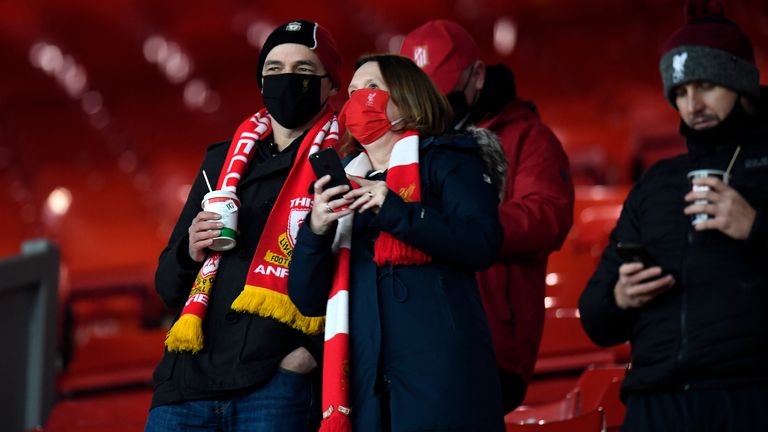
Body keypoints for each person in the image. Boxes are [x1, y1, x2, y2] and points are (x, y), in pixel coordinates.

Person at [287, 54, 505, 431]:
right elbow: (306, 299)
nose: (357, 100)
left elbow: (482, 243)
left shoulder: (451, 157)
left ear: (407, 98)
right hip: (366, 389)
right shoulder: (345, 182)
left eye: (371, 88)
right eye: (352, 92)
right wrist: (316, 230)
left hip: (442, 383)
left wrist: (394, 209)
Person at [145, 20, 342, 432]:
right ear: (260, 83)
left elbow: (355, 274)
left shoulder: (343, 160)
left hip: (273, 385)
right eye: (274, 70)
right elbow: (166, 286)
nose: (286, 80)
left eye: (303, 71)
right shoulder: (221, 162)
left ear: (331, 85)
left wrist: (303, 357)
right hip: (186, 385)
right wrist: (189, 251)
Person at [578, 2, 768, 431]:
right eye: (680, 93)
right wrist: (619, 298)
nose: (692, 103)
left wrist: (754, 226)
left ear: (738, 82)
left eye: (705, 85)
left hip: (748, 392)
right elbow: (594, 316)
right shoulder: (657, 183)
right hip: (658, 400)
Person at [400, 19, 574, 412]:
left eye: (441, 92)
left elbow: (547, 215)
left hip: (490, 340)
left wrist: (455, 228)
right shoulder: (402, 139)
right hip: (419, 332)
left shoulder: (528, 137)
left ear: (477, 75)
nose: (433, 106)